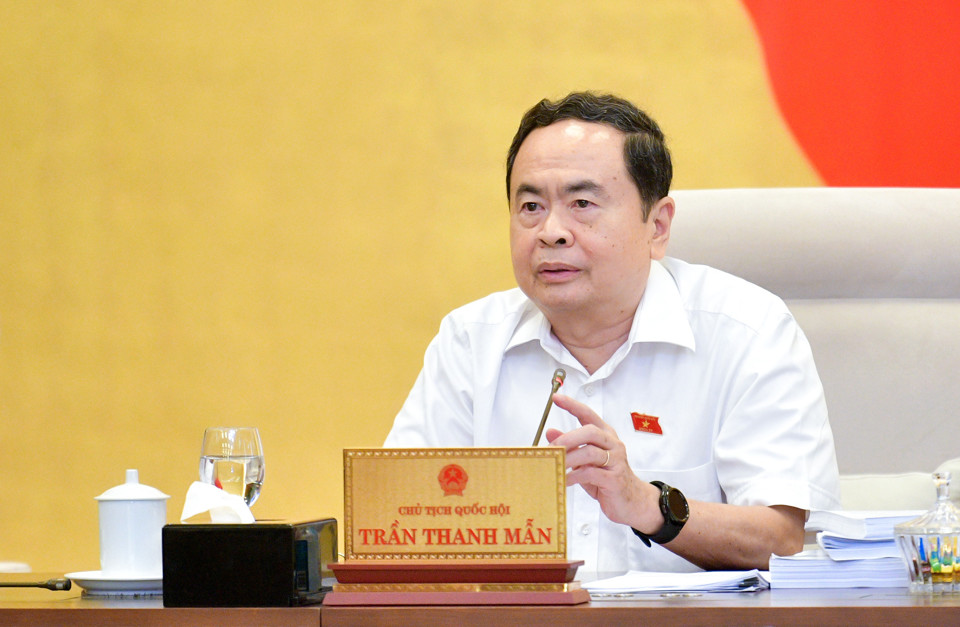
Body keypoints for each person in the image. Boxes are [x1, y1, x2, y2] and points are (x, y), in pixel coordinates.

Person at [385, 92, 840, 574]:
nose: (551, 231)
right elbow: (398, 522)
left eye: (582, 203)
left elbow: (783, 541)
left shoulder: (748, 332)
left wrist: (647, 505)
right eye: (531, 206)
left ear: (658, 226)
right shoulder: (469, 342)